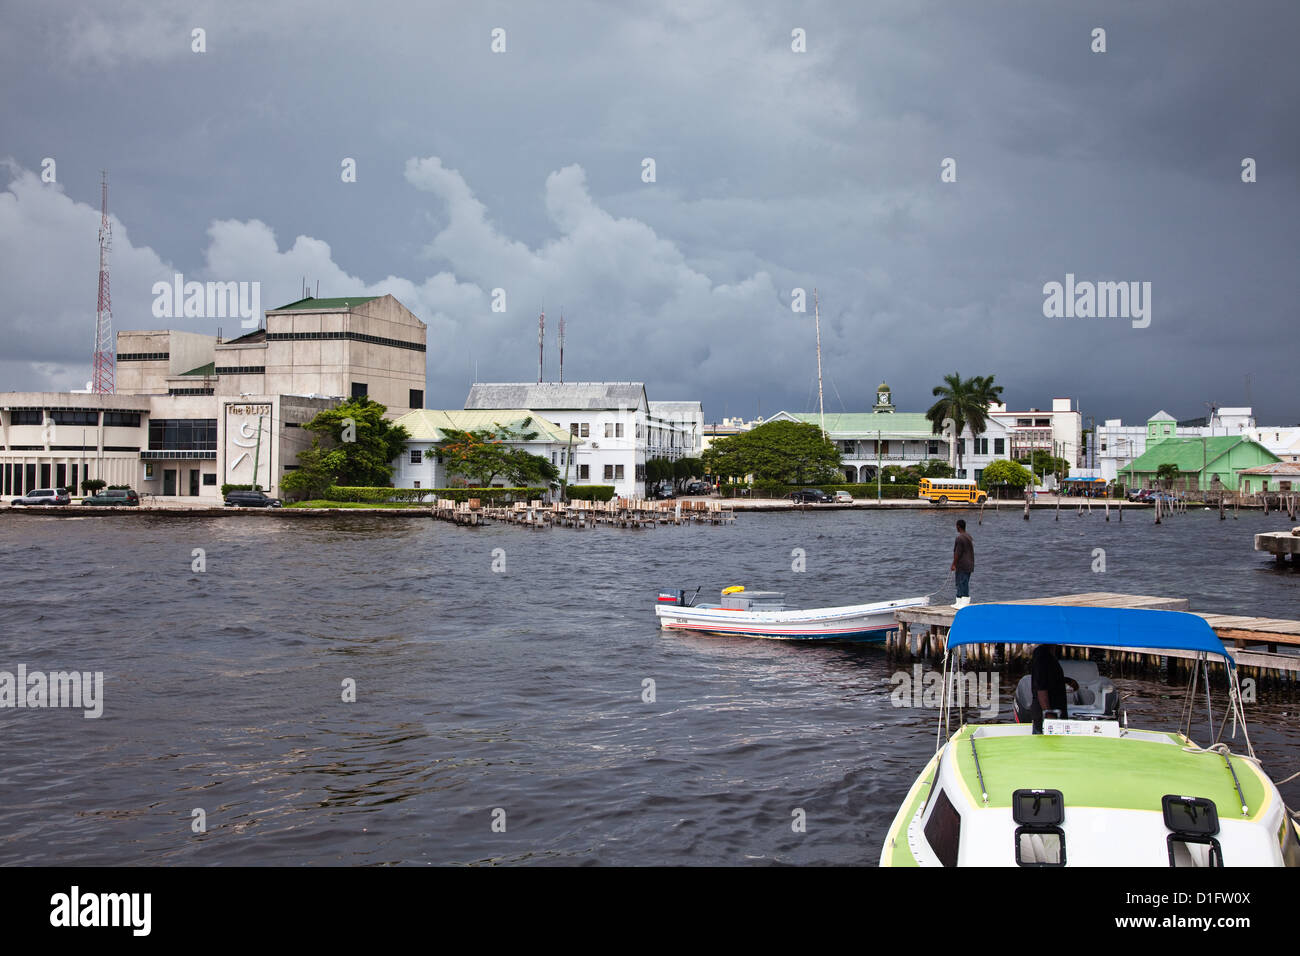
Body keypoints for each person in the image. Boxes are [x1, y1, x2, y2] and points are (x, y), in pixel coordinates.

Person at [1029, 644, 1075, 734]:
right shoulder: (1042, 656)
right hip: (1048, 716)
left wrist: (1065, 680)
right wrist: (1048, 714)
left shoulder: (1049, 654)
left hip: (1056, 712)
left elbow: (1048, 678)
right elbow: (1041, 688)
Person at [951, 519, 974, 608]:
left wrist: (953, 564)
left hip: (963, 565)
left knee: (961, 583)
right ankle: (959, 602)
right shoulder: (968, 536)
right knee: (962, 582)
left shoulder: (960, 538)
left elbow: (958, 553)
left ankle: (963, 603)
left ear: (958, 526)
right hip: (969, 564)